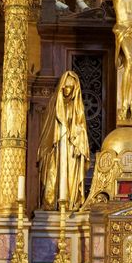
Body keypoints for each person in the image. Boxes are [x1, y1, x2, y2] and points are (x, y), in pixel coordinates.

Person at [38, 71, 90, 211]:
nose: (67, 90)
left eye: (70, 88)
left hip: (71, 150)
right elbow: (49, 131)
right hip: (58, 149)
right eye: (65, 87)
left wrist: (79, 142)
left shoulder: (77, 109)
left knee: (70, 174)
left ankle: (72, 200)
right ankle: (51, 202)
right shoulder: (54, 107)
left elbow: (81, 129)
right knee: (55, 173)